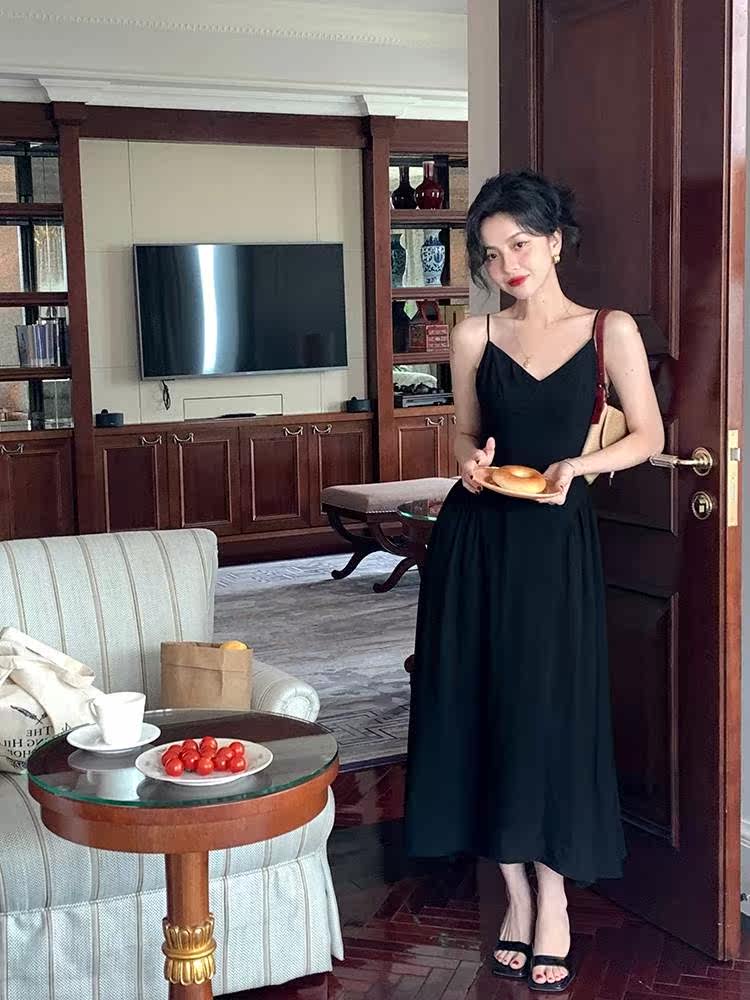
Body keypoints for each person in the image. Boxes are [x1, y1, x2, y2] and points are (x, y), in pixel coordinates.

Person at [404, 170, 664, 992]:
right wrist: (469, 463)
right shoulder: (473, 337)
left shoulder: (608, 330)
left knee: (549, 712)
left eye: (520, 244)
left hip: (555, 543)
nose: (507, 264)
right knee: (480, 706)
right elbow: (463, 435)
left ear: (554, 242)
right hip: (476, 543)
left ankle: (554, 895)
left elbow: (649, 435)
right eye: (491, 254)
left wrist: (577, 469)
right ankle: (514, 891)